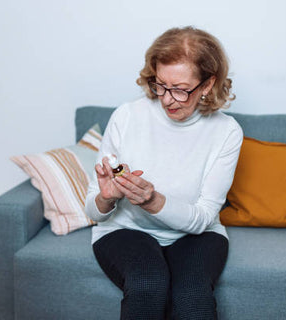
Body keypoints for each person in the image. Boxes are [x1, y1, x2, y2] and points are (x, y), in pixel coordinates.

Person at [84, 26, 243, 320]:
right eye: (160, 85)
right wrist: (106, 199)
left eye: (181, 90)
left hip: (197, 235)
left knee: (192, 298)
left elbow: (202, 218)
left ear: (208, 84)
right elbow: (94, 209)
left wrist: (152, 201)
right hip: (125, 231)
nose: (168, 99)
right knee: (148, 284)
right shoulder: (127, 116)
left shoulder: (227, 132)